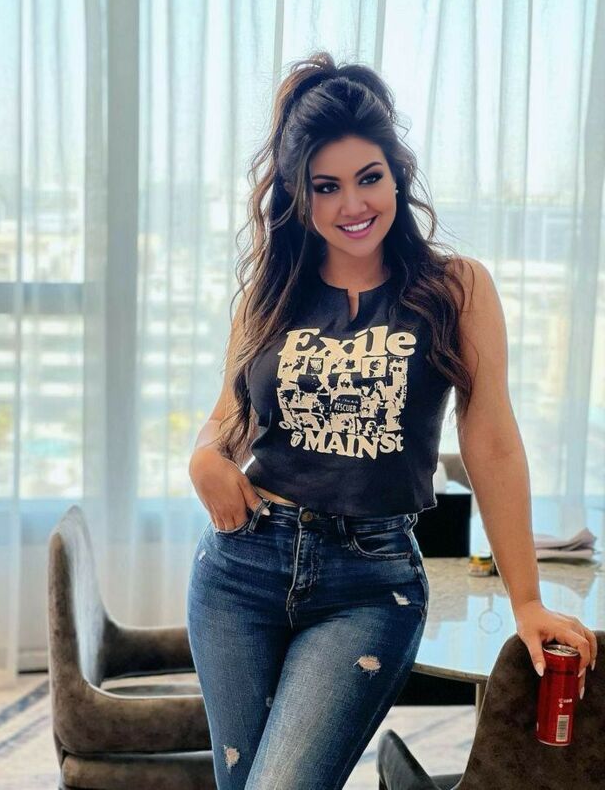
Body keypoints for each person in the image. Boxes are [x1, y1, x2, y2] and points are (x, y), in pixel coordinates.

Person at [186, 51, 597, 790]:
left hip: (369, 582)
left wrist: (526, 598)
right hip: (240, 571)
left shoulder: (454, 289)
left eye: (368, 177)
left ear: (397, 175)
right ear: (298, 193)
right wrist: (204, 458)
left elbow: (492, 442)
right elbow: (231, 418)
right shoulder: (271, 293)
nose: (353, 204)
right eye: (327, 186)